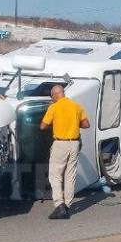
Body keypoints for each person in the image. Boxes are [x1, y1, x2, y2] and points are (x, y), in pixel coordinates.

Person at [40, 85, 90, 219]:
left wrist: (56, 123)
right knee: (70, 175)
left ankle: (59, 205)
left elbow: (42, 126)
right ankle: (67, 206)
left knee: (55, 175)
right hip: (74, 143)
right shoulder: (77, 106)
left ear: (55, 95)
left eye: (52, 97)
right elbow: (86, 124)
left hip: (60, 144)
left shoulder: (54, 107)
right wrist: (73, 123)